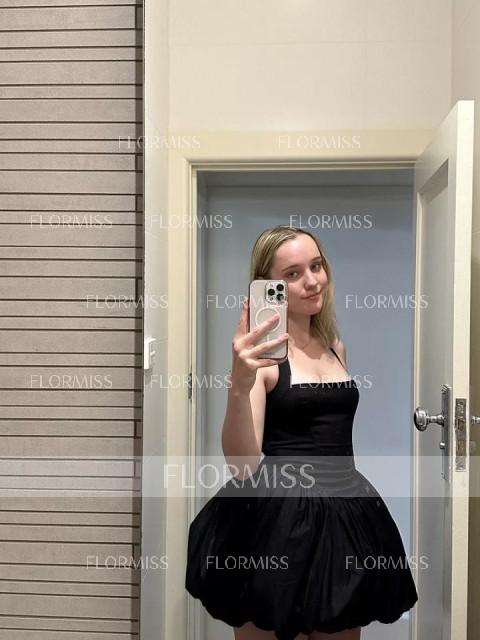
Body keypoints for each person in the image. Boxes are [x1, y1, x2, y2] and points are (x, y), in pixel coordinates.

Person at [185, 225, 418, 640]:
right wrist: (239, 383)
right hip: (275, 520)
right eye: (292, 274)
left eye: (316, 266)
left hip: (345, 511)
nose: (312, 281)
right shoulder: (263, 360)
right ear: (267, 286)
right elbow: (242, 465)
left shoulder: (334, 346)